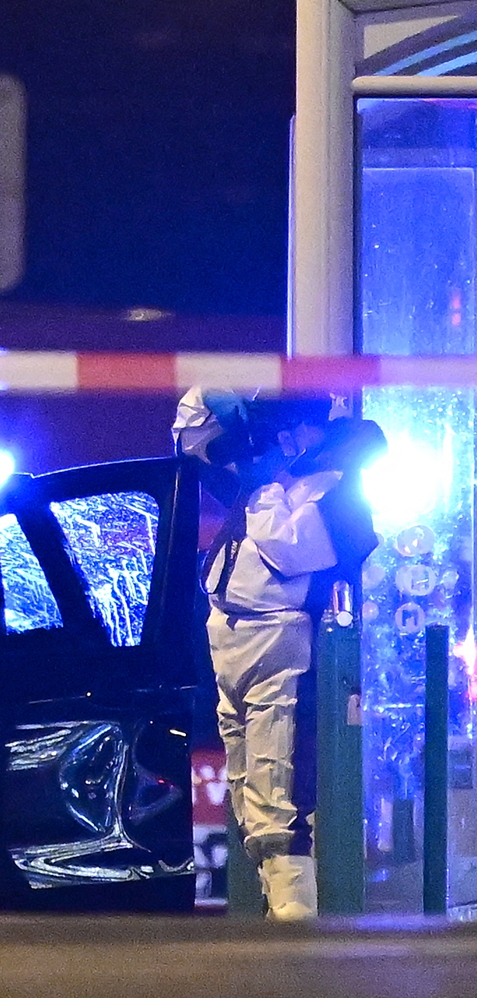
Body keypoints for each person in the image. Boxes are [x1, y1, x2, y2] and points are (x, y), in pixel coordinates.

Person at [173, 388, 382, 920]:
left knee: (279, 780)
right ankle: (279, 903)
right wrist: (217, 398)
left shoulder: (335, 484)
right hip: (229, 635)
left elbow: (292, 550)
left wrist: (264, 483)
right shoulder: (274, 473)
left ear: (312, 428)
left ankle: (294, 911)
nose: (277, 438)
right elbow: (190, 438)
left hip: (280, 638)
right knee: (246, 783)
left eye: (286, 426)